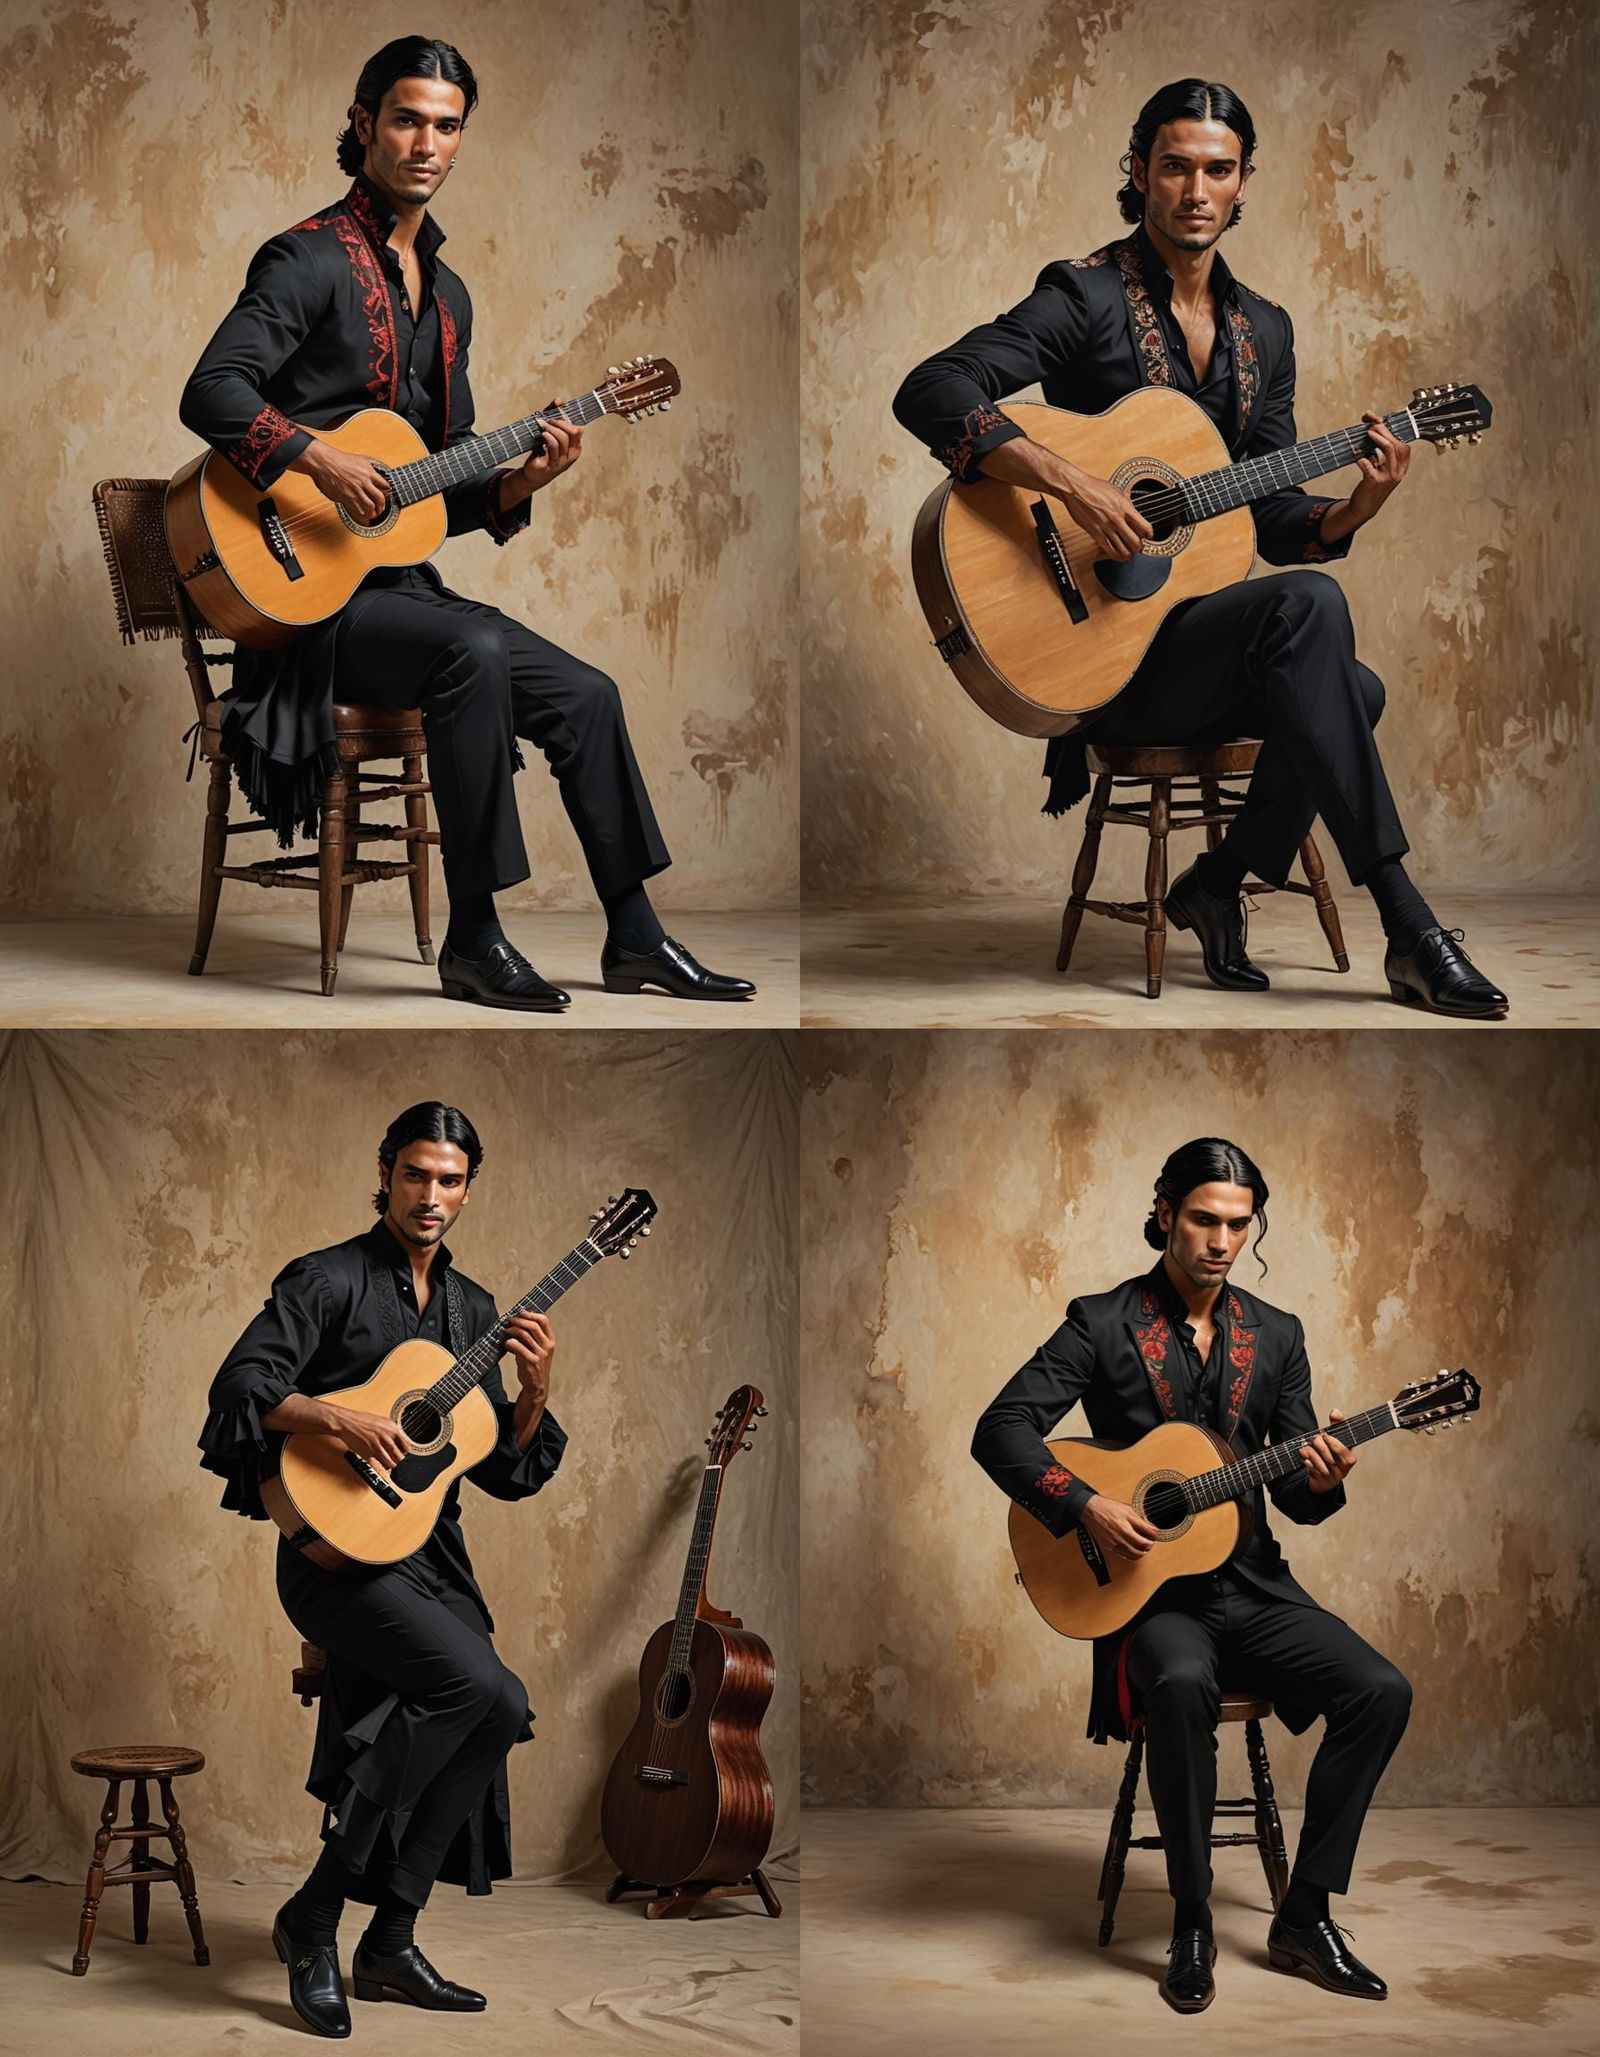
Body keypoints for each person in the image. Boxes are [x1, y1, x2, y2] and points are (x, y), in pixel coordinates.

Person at [894, 76, 1506, 1018]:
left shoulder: (1266, 332)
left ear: (1243, 183)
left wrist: (1357, 509)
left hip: (1193, 643)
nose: (1194, 190)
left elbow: (1273, 518)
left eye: (1217, 170)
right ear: (1139, 173)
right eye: (1174, 166)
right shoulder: (1086, 297)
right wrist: (1078, 484)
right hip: (1101, 655)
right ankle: (1410, 924)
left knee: (1351, 682)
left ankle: (1217, 882)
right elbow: (933, 388)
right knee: (1320, 621)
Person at [179, 35, 753, 1010]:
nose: (426, 143)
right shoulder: (307, 259)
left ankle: (636, 935)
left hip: (396, 593)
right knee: (474, 649)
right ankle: (475, 938)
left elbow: (433, 494)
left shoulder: (447, 301)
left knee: (585, 692)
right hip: (306, 612)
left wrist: (527, 476)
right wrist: (321, 456)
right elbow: (211, 390)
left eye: (447, 126)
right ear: (364, 125)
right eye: (406, 119)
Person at [971, 1138, 1411, 2013]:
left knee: (1380, 1690)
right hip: (1146, 1597)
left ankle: (1305, 1914)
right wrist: (1087, 1503)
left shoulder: (1276, 1334)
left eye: (1238, 1225)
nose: (1221, 1239)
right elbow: (1002, 1427)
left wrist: (1321, 1479)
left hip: (1252, 1586)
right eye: (1205, 1218)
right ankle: (1193, 1916)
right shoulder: (1100, 1322)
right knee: (1176, 1682)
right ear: (1166, 1212)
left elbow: (1290, 1490)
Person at [199, 1102, 564, 2035]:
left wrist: (534, 1396)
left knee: (505, 1706)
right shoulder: (324, 1279)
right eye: (415, 1174)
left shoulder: (476, 1310)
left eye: (449, 1180)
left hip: (428, 1557)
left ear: (467, 1189)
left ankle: (389, 1941)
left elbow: (503, 1466)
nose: (431, 1194)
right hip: (331, 1558)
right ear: (387, 1173)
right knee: (470, 1682)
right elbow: (241, 1387)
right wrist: (337, 1418)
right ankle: (314, 1917)